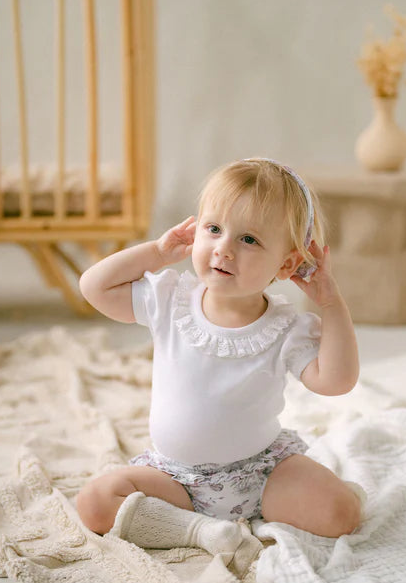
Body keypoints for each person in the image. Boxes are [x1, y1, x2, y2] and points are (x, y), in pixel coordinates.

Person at [76, 157, 363, 545]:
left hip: (260, 474)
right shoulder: (171, 301)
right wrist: (157, 253)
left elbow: (336, 382)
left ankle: (219, 521)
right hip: (175, 478)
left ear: (288, 263)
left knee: (341, 514)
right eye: (213, 229)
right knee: (94, 504)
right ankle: (197, 531)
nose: (223, 249)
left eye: (249, 240)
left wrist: (332, 305)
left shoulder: (285, 328)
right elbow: (94, 287)